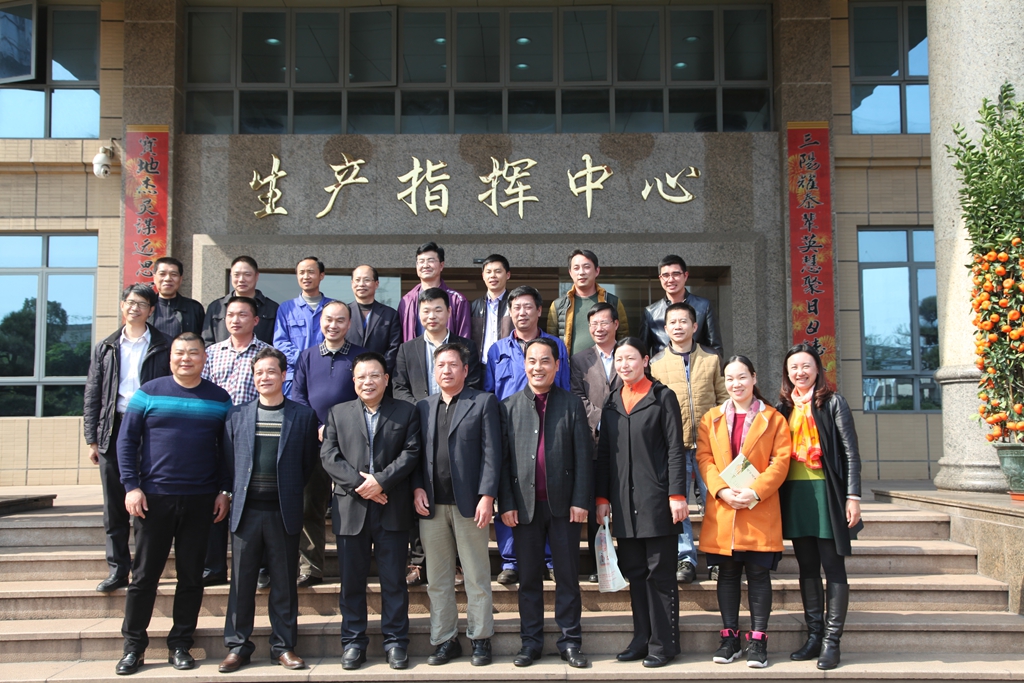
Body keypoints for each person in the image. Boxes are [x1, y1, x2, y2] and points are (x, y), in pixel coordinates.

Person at [113, 333, 232, 676]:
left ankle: (180, 644)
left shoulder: (219, 398)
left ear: (204, 358)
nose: (186, 358)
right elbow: (126, 442)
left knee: (191, 577)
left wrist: (224, 490)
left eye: (193, 353)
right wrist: (131, 487)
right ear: (170, 357)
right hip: (153, 499)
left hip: (201, 501)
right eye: (180, 352)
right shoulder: (148, 392)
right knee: (144, 577)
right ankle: (133, 647)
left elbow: (226, 450)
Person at [218, 348, 319, 674]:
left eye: (271, 371)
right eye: (259, 372)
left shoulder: (302, 416)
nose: (265, 377)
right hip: (246, 511)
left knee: (284, 583)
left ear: (284, 375)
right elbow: (229, 462)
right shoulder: (236, 415)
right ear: (253, 376)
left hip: (283, 511)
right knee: (242, 583)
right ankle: (237, 646)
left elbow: (307, 465)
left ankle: (284, 646)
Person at [321, 352, 421, 671]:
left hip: (391, 507)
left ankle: (396, 642)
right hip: (351, 509)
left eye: (375, 375)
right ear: (354, 381)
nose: (368, 382)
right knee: (352, 582)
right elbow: (329, 456)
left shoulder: (406, 411)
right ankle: (353, 642)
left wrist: (381, 481)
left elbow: (411, 453)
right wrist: (361, 485)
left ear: (386, 379)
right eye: (362, 377)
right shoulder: (338, 413)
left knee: (394, 581)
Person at [499, 338, 592, 669]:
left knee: (567, 576)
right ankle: (531, 642)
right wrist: (506, 503)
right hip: (523, 508)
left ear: (556, 366)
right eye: (532, 361)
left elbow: (584, 456)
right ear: (524, 365)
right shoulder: (508, 407)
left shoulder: (571, 404)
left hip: (564, 507)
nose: (538, 367)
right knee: (528, 579)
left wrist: (581, 499)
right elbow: (502, 462)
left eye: (545, 361)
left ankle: (570, 641)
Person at [595, 337, 687, 669]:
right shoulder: (612, 401)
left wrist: (677, 494)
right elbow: (605, 454)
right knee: (635, 572)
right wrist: (602, 497)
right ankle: (641, 638)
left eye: (631, 358)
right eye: (619, 359)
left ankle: (664, 643)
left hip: (657, 500)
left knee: (659, 575)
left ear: (645, 361)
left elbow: (675, 448)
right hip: (623, 502)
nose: (624, 365)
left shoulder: (663, 397)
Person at [696, 355, 792, 669]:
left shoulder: (773, 418)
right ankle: (730, 638)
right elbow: (704, 459)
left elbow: (781, 462)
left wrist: (755, 491)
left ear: (753, 378)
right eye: (729, 379)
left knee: (758, 575)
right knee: (727, 575)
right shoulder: (711, 418)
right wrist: (722, 490)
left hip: (758, 507)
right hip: (724, 508)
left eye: (741, 377)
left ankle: (758, 640)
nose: (735, 384)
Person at [412, 343, 501, 667]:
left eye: (453, 365)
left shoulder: (483, 402)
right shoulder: (423, 407)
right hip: (432, 506)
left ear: (465, 370)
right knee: (437, 579)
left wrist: (487, 496)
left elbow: (492, 452)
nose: (446, 370)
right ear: (434, 371)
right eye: (440, 365)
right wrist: (417, 488)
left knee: (476, 575)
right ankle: (444, 639)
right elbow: (415, 454)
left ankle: (480, 638)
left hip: (470, 505)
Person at [776, 343, 862, 670]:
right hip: (795, 495)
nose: (800, 372)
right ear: (787, 373)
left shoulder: (833, 403)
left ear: (817, 369)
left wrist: (853, 497)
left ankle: (831, 641)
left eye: (806, 366)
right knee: (807, 567)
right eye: (793, 368)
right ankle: (813, 636)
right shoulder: (783, 407)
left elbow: (850, 452)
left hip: (827, 492)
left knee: (833, 566)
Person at [83, 284, 170, 594]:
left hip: (150, 429)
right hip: (114, 428)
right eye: (131, 302)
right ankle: (118, 568)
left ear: (151, 310)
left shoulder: (164, 345)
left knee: (147, 502)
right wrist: (92, 439)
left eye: (142, 304)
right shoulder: (105, 347)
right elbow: (93, 393)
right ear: (123, 305)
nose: (135, 308)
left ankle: (144, 570)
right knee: (115, 505)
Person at [485, 285, 567, 584]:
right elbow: (489, 393)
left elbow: (564, 387)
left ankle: (549, 558)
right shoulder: (497, 350)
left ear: (539, 310)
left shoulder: (556, 346)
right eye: (516, 307)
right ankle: (511, 560)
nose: (522, 313)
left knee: (546, 493)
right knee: (510, 491)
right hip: (510, 430)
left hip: (548, 427)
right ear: (509, 312)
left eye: (528, 307)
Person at [649, 301, 728, 585]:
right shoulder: (656, 364)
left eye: (684, 321)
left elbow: (723, 399)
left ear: (695, 326)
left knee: (714, 502)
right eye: (673, 322)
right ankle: (685, 558)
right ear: (665, 328)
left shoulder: (712, 358)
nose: (678, 326)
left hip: (710, 446)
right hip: (675, 447)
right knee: (678, 504)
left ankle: (717, 557)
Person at [291, 301, 367, 587]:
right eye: (328, 320)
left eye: (340, 320)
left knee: (354, 505)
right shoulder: (307, 356)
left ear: (349, 324)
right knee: (310, 504)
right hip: (314, 440)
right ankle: (310, 567)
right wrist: (318, 427)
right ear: (320, 322)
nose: (333, 325)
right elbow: (298, 396)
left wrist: (339, 429)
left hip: (351, 441)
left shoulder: (360, 357)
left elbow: (367, 394)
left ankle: (356, 566)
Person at [199, 296, 271, 587]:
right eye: (230, 315)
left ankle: (261, 566)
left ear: (255, 320)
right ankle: (214, 566)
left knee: (254, 502)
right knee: (217, 498)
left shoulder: (267, 354)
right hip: (215, 437)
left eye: (242, 315)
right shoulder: (211, 353)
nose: (235, 320)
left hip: (254, 435)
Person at [568, 302, 621, 583]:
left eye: (604, 322)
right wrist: (603, 420)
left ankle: (625, 561)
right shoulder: (579, 360)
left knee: (623, 502)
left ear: (616, 324)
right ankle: (599, 564)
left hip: (627, 441)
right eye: (593, 324)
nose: (598, 328)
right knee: (594, 507)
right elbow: (577, 397)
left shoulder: (628, 353)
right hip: (594, 440)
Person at [394, 288, 482, 404]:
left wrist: (452, 407)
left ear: (449, 312)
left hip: (457, 411)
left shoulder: (467, 346)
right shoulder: (406, 349)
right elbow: (399, 387)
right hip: (417, 412)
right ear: (419, 314)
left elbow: (472, 384)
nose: (432, 316)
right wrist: (419, 408)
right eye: (426, 311)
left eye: (438, 310)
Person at [639, 255, 724, 358]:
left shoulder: (704, 306)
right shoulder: (651, 312)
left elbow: (715, 348)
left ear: (685, 276)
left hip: (698, 365)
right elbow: (643, 352)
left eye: (676, 274)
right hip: (663, 367)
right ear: (660, 278)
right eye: (665, 275)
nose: (671, 279)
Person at [547, 250, 628, 356]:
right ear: (570, 273)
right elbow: (551, 342)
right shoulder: (558, 305)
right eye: (576, 268)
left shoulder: (612, 302)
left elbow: (623, 337)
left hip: (606, 364)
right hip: (569, 365)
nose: (581, 272)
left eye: (586, 267)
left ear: (597, 271)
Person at [273, 256, 333, 397]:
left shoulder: (333, 307)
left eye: (311, 272)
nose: (306, 276)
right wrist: (304, 359)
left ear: (321, 275)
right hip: (294, 377)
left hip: (326, 375)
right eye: (301, 272)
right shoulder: (286, 308)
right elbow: (280, 342)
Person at [396, 242, 470, 341]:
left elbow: (464, 339)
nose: (425, 265)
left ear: (441, 265)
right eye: (421, 261)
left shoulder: (457, 300)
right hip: (416, 351)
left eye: (431, 261)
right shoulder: (407, 300)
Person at [202, 256, 279, 346]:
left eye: (247, 274)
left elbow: (277, 342)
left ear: (256, 276)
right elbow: (207, 341)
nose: (241, 279)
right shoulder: (216, 307)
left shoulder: (272, 308)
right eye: (236, 275)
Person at [345, 265, 402, 375]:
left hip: (378, 376)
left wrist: (379, 371)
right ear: (352, 283)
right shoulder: (344, 313)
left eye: (366, 280)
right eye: (357, 280)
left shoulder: (390, 314)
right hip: (348, 374)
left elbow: (394, 348)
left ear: (376, 284)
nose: (361, 284)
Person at [470, 254, 513, 364]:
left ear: (508, 275)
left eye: (498, 271)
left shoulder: (515, 305)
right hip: (481, 367)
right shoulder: (474, 306)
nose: (493, 276)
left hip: (509, 366)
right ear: (483, 276)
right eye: (488, 272)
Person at [150, 256, 205, 340]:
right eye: (162, 274)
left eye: (174, 275)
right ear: (154, 278)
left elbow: (203, 340)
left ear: (180, 279)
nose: (168, 279)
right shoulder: (147, 306)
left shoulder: (194, 308)